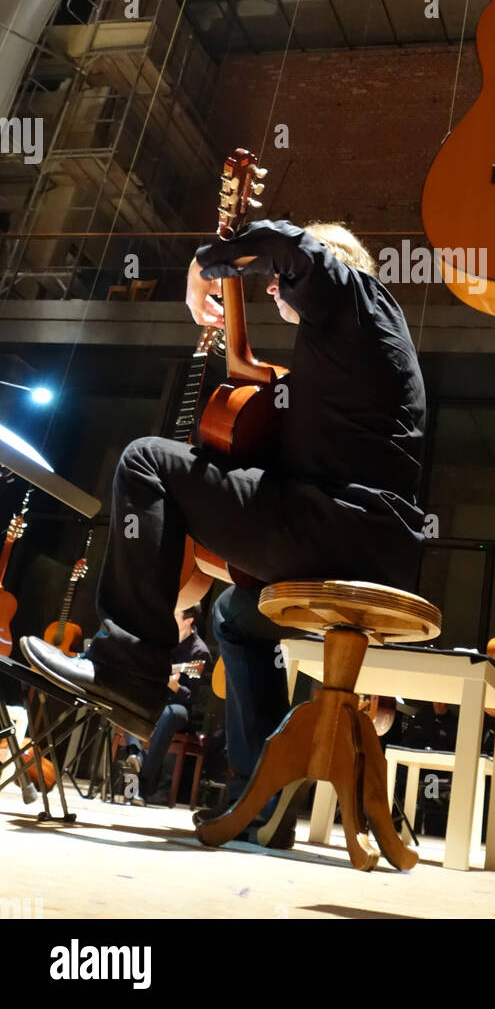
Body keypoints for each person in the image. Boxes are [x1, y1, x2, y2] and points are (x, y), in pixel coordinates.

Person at [21, 219, 427, 842]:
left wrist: (210, 263)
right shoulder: (355, 348)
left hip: (339, 527)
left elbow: (292, 247)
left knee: (145, 460)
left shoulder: (358, 299)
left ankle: (129, 668)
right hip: (362, 537)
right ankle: (259, 804)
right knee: (235, 615)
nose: (270, 290)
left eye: (279, 284)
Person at [121, 605, 210, 805]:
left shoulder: (199, 651)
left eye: (176, 615)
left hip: (179, 707)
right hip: (154, 700)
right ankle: (135, 755)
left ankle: (142, 784)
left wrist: (175, 687)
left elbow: (192, 697)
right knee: (131, 703)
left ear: (189, 620)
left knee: (167, 715)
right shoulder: (164, 639)